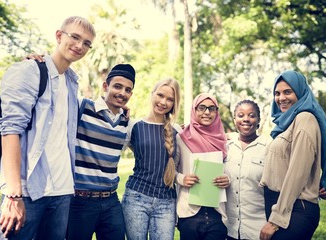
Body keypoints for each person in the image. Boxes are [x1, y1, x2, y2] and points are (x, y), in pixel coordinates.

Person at [0, 16, 96, 240]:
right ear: (59, 36)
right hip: (27, 191)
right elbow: (10, 130)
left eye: (87, 43)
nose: (80, 46)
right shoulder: (29, 70)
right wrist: (13, 195)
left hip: (62, 192)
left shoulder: (71, 82)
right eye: (75, 37)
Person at [259, 70, 326, 240]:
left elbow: (297, 172)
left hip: (295, 210)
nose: (281, 98)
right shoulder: (288, 123)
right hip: (282, 206)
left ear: (300, 91)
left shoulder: (305, 119)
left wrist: (276, 220)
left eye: (288, 92)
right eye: (277, 93)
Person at [66, 64, 136, 240]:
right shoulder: (82, 107)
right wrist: (39, 62)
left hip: (111, 201)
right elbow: (55, 94)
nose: (122, 93)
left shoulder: (125, 123)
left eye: (128, 90)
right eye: (117, 86)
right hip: (80, 200)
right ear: (105, 86)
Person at [121, 78, 181, 240]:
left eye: (170, 99)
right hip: (136, 198)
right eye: (160, 95)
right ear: (152, 94)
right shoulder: (134, 125)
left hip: (166, 203)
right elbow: (112, 147)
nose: (163, 102)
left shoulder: (177, 131)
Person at [175, 93, 229, 240]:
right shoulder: (181, 138)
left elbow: (230, 170)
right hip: (189, 213)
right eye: (202, 108)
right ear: (194, 109)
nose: (207, 112)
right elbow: (170, 170)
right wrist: (182, 178)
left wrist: (227, 179)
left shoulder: (224, 140)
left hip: (217, 213)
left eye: (212, 108)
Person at [225, 100, 270, 240]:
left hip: (258, 229)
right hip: (228, 229)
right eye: (240, 115)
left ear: (258, 120)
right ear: (234, 120)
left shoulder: (269, 146)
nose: (246, 119)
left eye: (251, 115)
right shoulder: (225, 146)